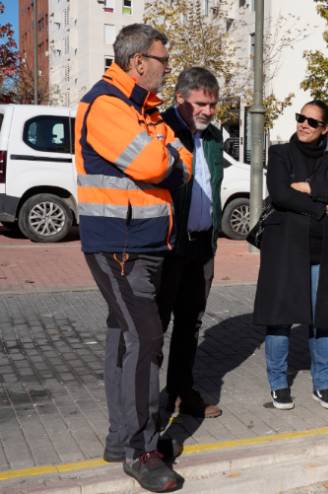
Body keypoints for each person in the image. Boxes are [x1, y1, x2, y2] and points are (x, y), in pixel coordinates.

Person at [74, 24, 193, 492]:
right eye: (163, 59)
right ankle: (141, 450)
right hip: (119, 244)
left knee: (124, 337)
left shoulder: (146, 109)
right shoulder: (107, 104)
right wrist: (165, 159)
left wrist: (166, 157)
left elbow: (183, 160)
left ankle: (119, 435)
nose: (167, 67)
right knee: (146, 338)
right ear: (138, 61)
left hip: (143, 243)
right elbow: (154, 164)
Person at [253, 100, 328, 411]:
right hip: (285, 248)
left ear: (325, 128)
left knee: (322, 318)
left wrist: (309, 187)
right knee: (280, 317)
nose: (304, 124)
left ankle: (322, 384)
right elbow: (281, 194)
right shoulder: (280, 153)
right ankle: (279, 384)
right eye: (301, 118)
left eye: (312, 121)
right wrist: (322, 205)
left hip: (323, 250)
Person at [157, 67, 223, 420]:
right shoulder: (161, 129)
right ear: (180, 98)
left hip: (202, 246)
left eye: (213, 104)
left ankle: (181, 392)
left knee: (190, 323)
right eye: (201, 104)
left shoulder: (212, 137)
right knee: (155, 325)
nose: (208, 111)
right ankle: (148, 406)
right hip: (168, 247)